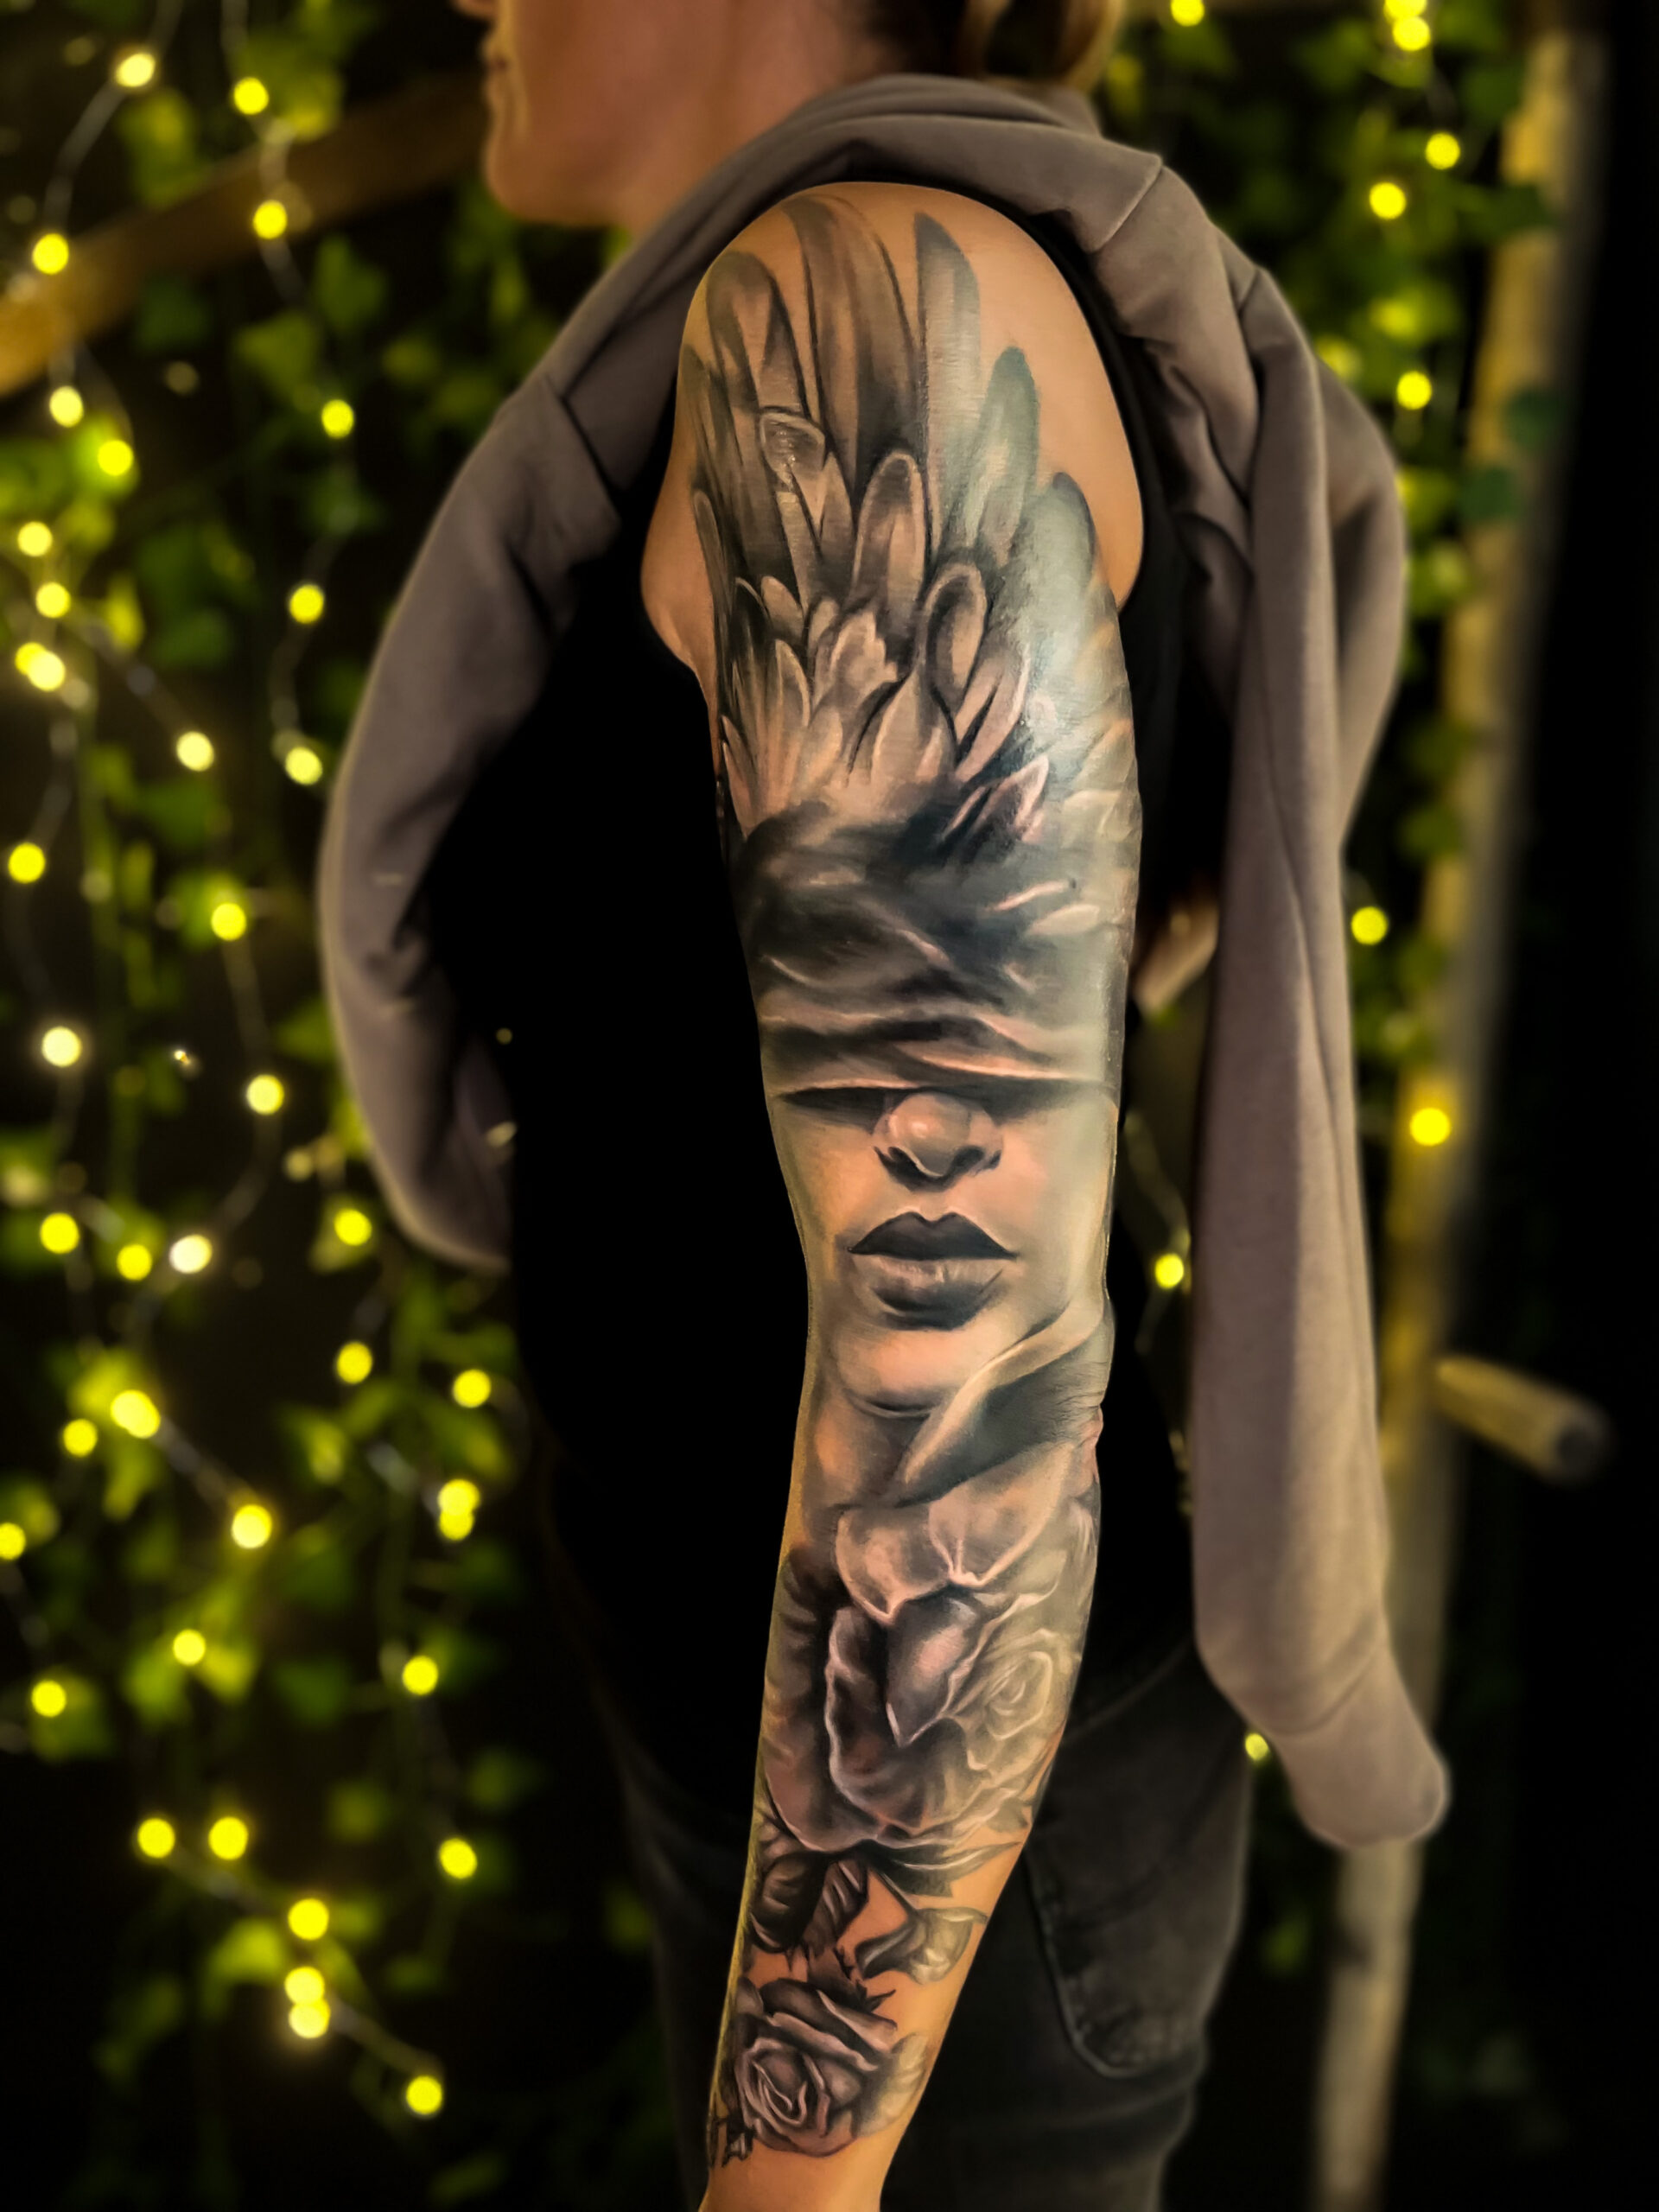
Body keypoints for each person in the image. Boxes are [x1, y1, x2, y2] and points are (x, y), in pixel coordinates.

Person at [323, 3, 1447, 2206]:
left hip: (940, 1894)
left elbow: (970, 1362)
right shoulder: (806, 319)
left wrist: (800, 2168)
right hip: (806, 1799)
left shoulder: (875, 322)